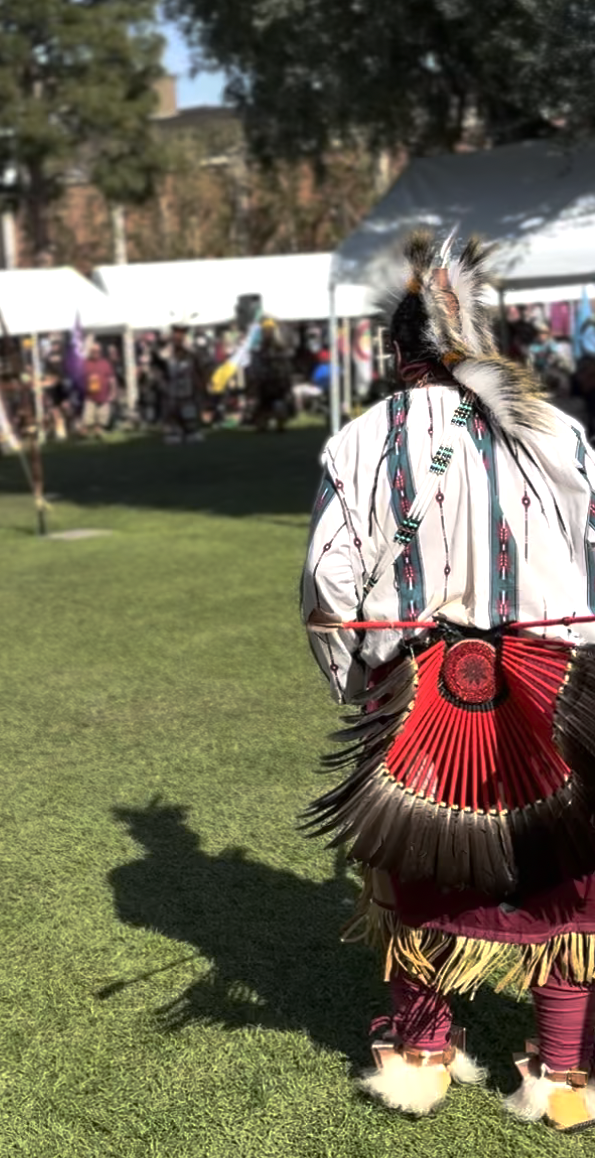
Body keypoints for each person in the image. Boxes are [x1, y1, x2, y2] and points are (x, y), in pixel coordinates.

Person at [301, 232, 595, 1133]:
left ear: (396, 356)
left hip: (421, 677)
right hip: (562, 679)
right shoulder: (562, 433)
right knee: (567, 871)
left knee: (417, 863)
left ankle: (422, 1060)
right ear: (478, 343)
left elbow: (328, 586)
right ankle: (564, 1079)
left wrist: (360, 682)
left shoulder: (360, 442)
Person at [152, 324, 206, 445]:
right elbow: (158, 360)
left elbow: (200, 364)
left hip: (187, 390)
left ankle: (190, 431)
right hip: (172, 390)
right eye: (177, 332)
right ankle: (175, 431)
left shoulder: (192, 350)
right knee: (173, 412)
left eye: (182, 333)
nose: (179, 336)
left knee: (188, 412)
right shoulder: (167, 350)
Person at [81, 341, 118, 438]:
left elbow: (112, 379)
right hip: (89, 396)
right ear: (90, 351)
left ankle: (98, 432)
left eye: (97, 351)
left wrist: (113, 392)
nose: (95, 352)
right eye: (93, 350)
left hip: (104, 396)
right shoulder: (85, 363)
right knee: (87, 420)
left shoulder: (105, 363)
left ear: (100, 351)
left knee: (102, 419)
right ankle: (86, 433)